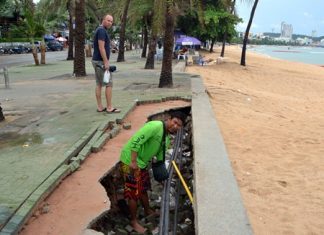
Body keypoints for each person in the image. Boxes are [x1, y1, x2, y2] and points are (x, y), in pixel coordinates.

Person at [119, 111, 186, 233]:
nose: (175, 126)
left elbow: (159, 157)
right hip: (130, 160)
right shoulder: (155, 126)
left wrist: (161, 176)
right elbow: (135, 141)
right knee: (133, 192)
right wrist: (133, 162)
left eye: (179, 125)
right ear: (169, 119)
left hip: (142, 162)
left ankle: (147, 210)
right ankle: (133, 221)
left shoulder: (165, 136)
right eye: (175, 122)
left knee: (143, 187)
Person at [92, 14, 120, 113]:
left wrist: (113, 45)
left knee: (99, 84)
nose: (110, 23)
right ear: (103, 20)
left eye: (111, 21)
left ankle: (100, 107)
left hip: (97, 61)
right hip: (100, 62)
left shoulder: (102, 30)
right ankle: (109, 107)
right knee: (109, 83)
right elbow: (101, 47)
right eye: (108, 20)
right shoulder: (101, 31)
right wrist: (106, 62)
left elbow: (106, 43)